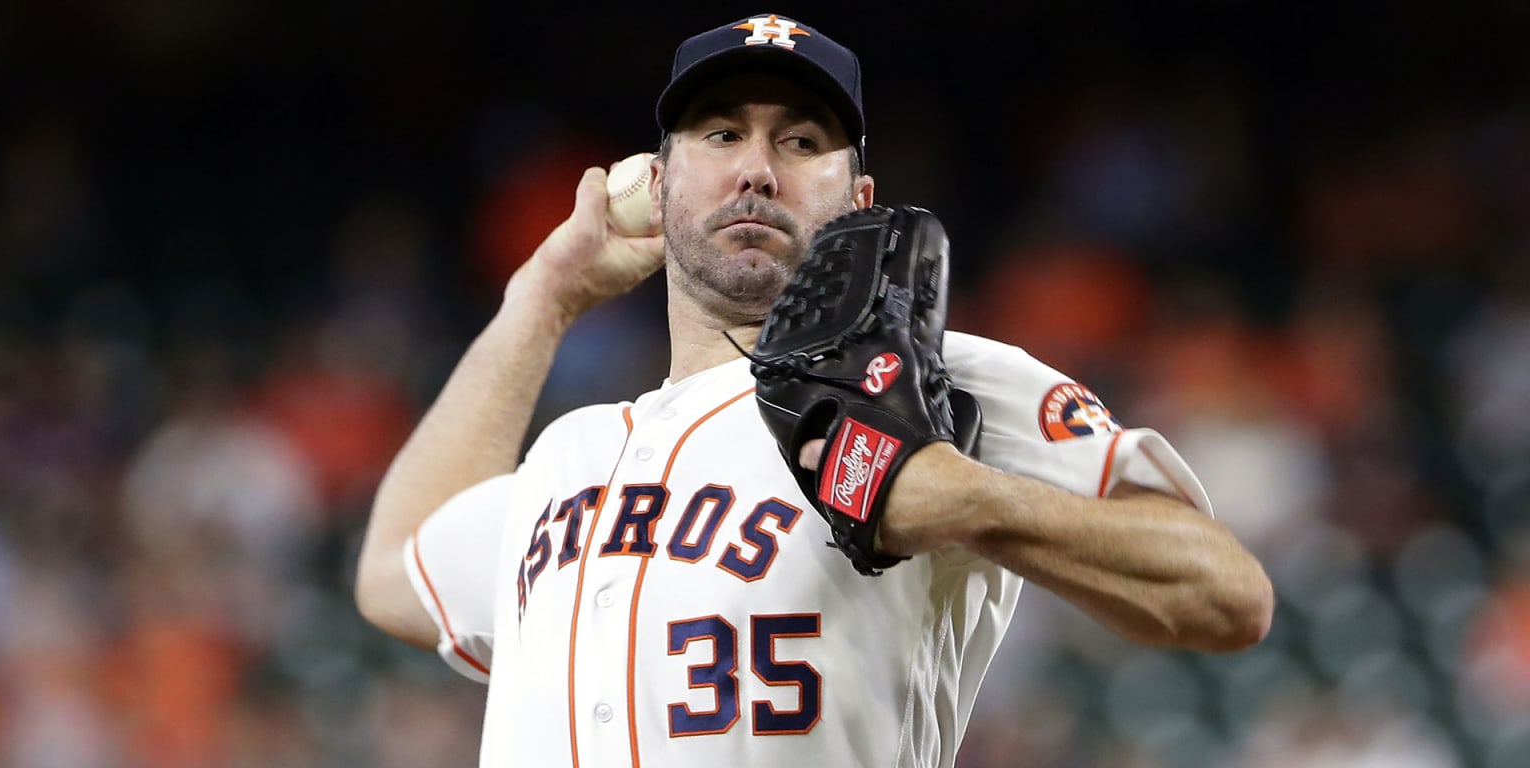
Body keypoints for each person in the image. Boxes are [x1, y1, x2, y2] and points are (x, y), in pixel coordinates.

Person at [353, 13, 1274, 768]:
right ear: (659, 182)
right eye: (722, 134)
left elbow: (1226, 593)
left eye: (801, 141)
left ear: (860, 199)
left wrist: (971, 502)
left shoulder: (930, 379)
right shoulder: (571, 453)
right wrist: (542, 300)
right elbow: (393, 571)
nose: (757, 167)